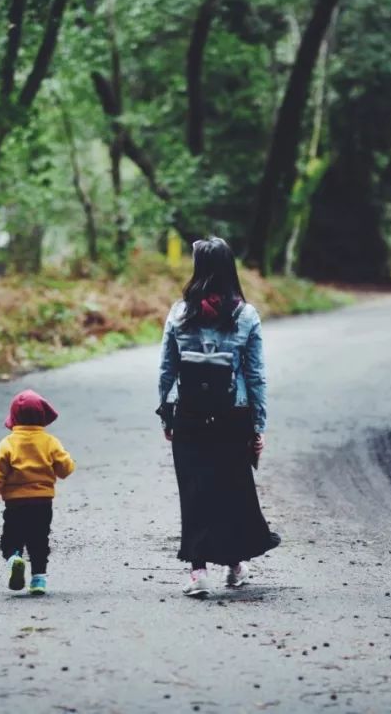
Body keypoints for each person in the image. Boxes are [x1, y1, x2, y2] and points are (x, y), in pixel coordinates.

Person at [157, 237, 280, 598]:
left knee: (194, 492)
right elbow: (255, 375)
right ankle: (234, 566)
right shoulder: (246, 315)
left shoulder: (179, 313)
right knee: (233, 489)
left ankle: (197, 573)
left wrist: (167, 415)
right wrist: (258, 425)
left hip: (190, 415)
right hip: (233, 415)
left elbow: (167, 369)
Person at [0, 389, 75, 595]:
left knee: (11, 539)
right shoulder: (50, 442)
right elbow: (65, 469)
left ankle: (14, 558)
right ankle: (38, 579)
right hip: (42, 503)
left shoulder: (8, 443)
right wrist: (68, 463)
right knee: (39, 540)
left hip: (15, 504)